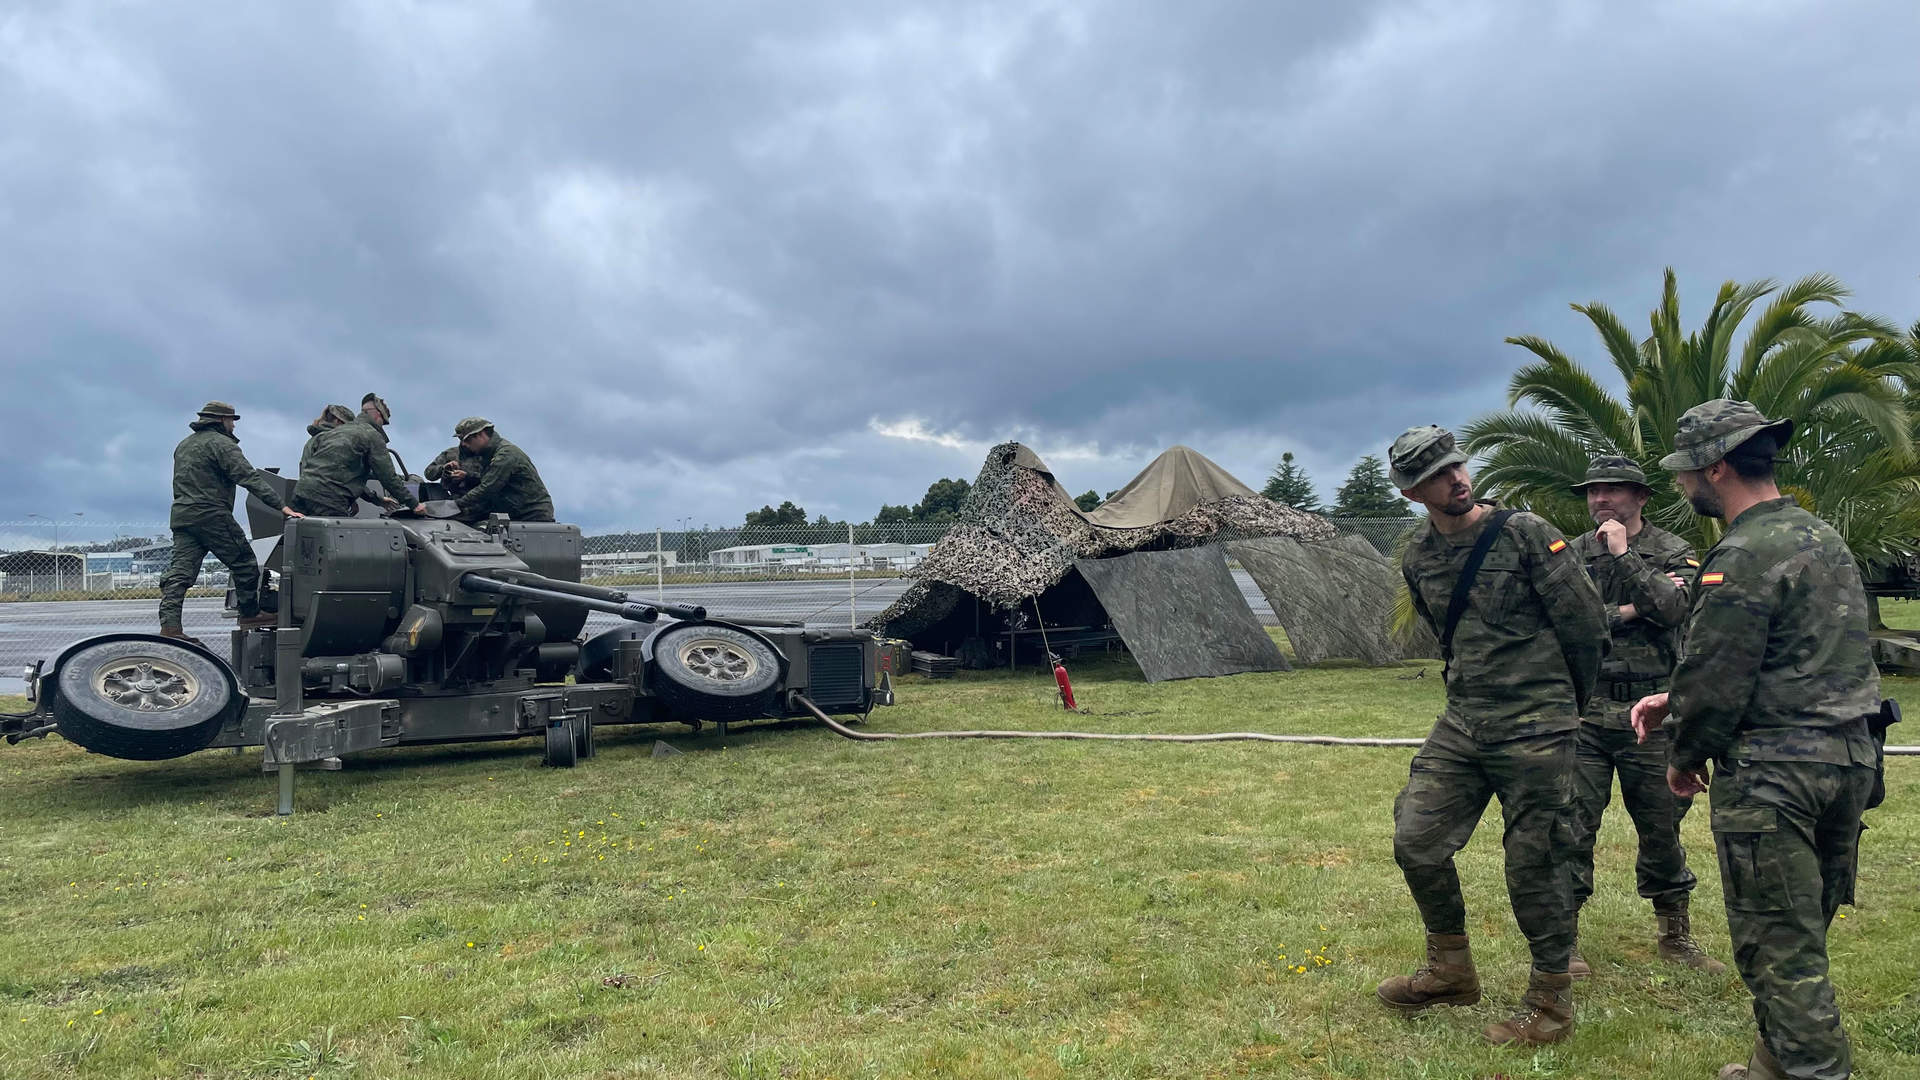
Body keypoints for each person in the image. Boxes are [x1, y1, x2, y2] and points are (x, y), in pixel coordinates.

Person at [1630, 400, 1882, 1080]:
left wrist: (1683, 754)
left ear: (1716, 468)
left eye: (1687, 473)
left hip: (1776, 775)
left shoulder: (1739, 553)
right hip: (1849, 758)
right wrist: (1675, 696)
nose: (1684, 486)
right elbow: (1809, 654)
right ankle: (1775, 1065)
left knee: (1780, 951)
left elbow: (1717, 680)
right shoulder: (1822, 537)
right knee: (1802, 928)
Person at [1376, 425, 1606, 1046]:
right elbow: (1441, 632)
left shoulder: (1526, 533)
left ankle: (1550, 1002)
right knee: (1416, 839)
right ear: (1412, 492)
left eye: (1458, 466)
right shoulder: (1419, 555)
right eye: (1436, 476)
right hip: (1465, 721)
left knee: (1537, 860)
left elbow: (1586, 626)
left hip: (1538, 722)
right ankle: (1451, 971)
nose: (1456, 480)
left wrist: (1565, 708)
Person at [1565, 455, 1725, 975]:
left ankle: (1674, 935)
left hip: (1650, 712)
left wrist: (1624, 556)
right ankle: (1563, 941)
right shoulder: (1569, 553)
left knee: (1661, 827)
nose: (1601, 499)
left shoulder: (1672, 551)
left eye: (1613, 490)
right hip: (1587, 712)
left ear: (1641, 498)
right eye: (1593, 491)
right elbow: (1571, 620)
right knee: (1571, 825)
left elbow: (1676, 609)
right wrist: (1630, 612)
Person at [160, 401, 303, 642]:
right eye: (232, 421)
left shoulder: (184, 445)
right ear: (221, 421)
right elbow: (248, 477)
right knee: (245, 561)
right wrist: (282, 506)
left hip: (183, 515)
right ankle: (250, 614)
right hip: (211, 514)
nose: (234, 427)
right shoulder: (222, 445)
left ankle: (170, 626)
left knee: (180, 573)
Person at [291, 393, 422, 516]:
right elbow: (387, 477)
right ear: (377, 415)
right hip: (328, 499)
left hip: (301, 495)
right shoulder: (371, 434)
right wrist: (414, 504)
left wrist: (373, 499)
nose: (383, 425)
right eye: (384, 421)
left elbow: (345, 472)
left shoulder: (333, 434)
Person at [451, 417, 555, 522]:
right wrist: (468, 477)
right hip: (513, 513)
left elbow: (488, 488)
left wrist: (455, 505)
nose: (464, 444)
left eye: (467, 440)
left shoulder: (505, 454)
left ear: (481, 434)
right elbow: (488, 479)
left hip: (531, 515)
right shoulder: (489, 454)